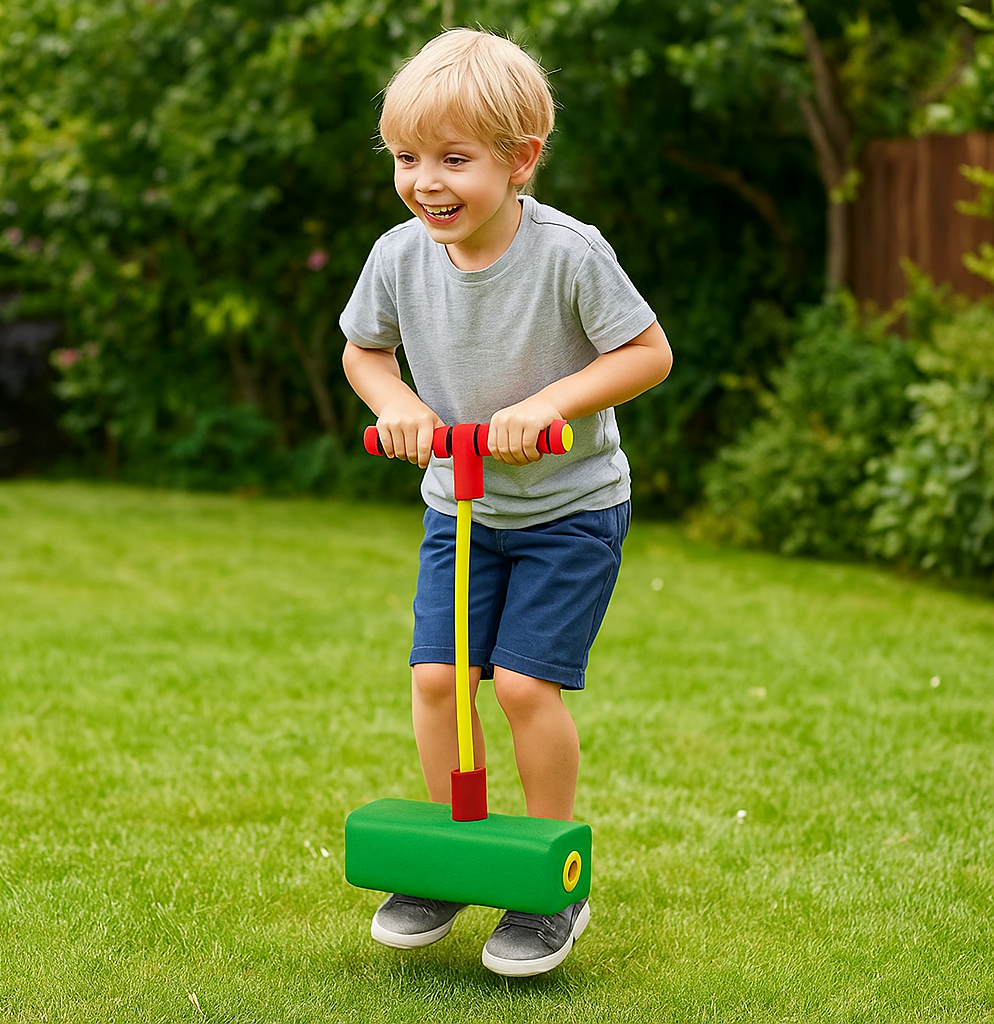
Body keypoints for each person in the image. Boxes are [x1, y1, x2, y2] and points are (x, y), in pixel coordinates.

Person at [340, 27, 672, 977]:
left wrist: (547, 406)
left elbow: (647, 353)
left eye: (454, 160)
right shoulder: (399, 256)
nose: (425, 182)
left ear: (521, 160)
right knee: (438, 680)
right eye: (406, 158)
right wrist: (398, 405)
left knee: (524, 685)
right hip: (462, 505)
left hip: (570, 510)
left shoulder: (568, 253)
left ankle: (548, 882)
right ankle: (452, 851)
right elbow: (364, 351)